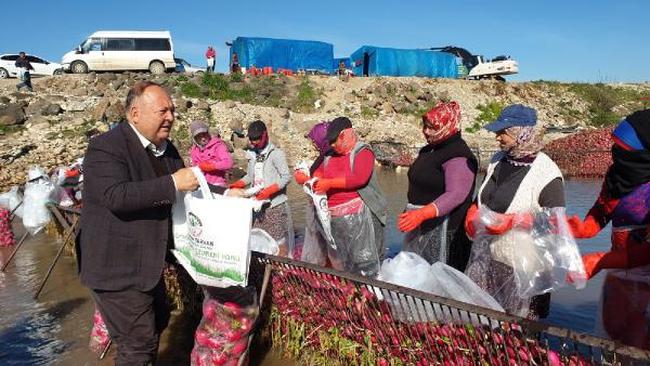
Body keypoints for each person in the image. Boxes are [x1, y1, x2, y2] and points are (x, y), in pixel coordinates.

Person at [76, 81, 203, 365]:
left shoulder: (166, 149)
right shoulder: (105, 147)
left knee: (157, 321)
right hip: (115, 266)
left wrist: (222, 193)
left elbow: (188, 187)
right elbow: (115, 195)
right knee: (139, 345)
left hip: (146, 263)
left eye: (172, 110)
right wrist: (172, 182)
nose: (171, 117)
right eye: (163, 111)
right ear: (135, 113)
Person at [464, 104, 565, 319]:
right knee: (484, 325)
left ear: (523, 133)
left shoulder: (546, 173)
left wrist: (513, 221)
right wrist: (472, 214)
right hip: (490, 260)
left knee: (519, 336)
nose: (497, 138)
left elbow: (556, 222)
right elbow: (481, 198)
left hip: (525, 270)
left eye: (503, 132)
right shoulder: (497, 161)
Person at [567, 110, 650, 348]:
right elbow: (600, 214)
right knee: (614, 342)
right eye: (616, 147)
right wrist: (581, 229)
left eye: (626, 150)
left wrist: (601, 260)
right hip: (618, 279)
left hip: (645, 283)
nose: (617, 155)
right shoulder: (617, 176)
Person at [397, 101, 477, 271]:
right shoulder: (428, 150)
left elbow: (455, 195)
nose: (426, 131)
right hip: (422, 224)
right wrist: (409, 211)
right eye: (425, 126)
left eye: (432, 127)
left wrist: (421, 214)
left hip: (447, 231)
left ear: (448, 126)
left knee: (439, 279)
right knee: (416, 273)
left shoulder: (458, 154)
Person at [311, 117, 388, 277]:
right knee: (346, 262)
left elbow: (359, 178)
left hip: (363, 219)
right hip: (337, 221)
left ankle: (374, 295)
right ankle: (353, 293)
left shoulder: (363, 152)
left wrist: (330, 183)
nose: (331, 145)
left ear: (345, 135)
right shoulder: (330, 154)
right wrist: (317, 178)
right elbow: (317, 169)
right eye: (329, 142)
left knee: (367, 260)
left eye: (334, 141)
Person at [229, 120, 294, 257]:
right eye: (252, 141)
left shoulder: (276, 154)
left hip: (275, 206)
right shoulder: (253, 155)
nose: (254, 143)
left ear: (265, 135)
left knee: (278, 242)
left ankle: (282, 273)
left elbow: (286, 177)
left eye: (257, 140)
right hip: (258, 205)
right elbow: (249, 177)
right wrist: (236, 185)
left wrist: (270, 190)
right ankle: (264, 270)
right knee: (258, 240)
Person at [294, 121, 331, 266]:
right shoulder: (322, 156)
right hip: (315, 208)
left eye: (315, 141)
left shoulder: (331, 158)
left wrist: (306, 179)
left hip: (324, 211)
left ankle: (329, 279)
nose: (313, 144)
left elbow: (325, 183)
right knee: (317, 244)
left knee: (327, 248)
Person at [189, 120, 233, 188]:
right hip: (202, 185)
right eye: (199, 136)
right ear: (194, 138)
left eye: (204, 134)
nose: (203, 138)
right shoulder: (194, 151)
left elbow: (228, 163)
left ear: (208, 133)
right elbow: (194, 168)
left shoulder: (218, 146)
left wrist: (212, 166)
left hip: (218, 184)